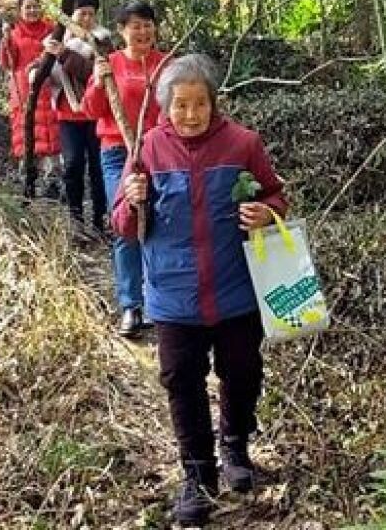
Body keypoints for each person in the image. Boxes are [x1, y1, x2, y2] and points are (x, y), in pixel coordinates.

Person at [111, 53, 288, 527]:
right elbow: (122, 226)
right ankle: (198, 476)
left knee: (243, 371)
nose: (190, 115)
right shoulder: (147, 148)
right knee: (181, 383)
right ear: (165, 107)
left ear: (214, 103)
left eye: (199, 105)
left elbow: (275, 194)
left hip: (236, 291)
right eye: (180, 105)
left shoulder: (242, 144)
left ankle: (235, 446)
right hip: (173, 295)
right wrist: (132, 201)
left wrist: (267, 213)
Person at [80, 0, 168, 337]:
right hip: (118, 152)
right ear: (121, 31)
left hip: (159, 153)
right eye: (135, 25)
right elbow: (91, 110)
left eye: (147, 24)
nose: (142, 31)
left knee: (161, 221)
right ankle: (131, 305)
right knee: (126, 222)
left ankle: (159, 300)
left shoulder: (167, 64)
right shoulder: (109, 63)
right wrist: (99, 82)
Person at [40, 0, 107, 235]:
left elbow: (90, 73)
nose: (87, 20)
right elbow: (42, 67)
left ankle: (101, 220)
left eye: (92, 14)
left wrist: (64, 54)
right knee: (72, 166)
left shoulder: (101, 40)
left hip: (95, 115)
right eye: (82, 14)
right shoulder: (58, 40)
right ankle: (75, 220)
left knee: (99, 169)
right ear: (70, 16)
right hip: (68, 115)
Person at [0, 0, 62, 193]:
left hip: (50, 88)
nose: (32, 10)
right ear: (20, 11)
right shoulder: (15, 34)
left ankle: (53, 180)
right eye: (28, 7)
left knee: (53, 135)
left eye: (35, 6)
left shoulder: (52, 30)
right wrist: (6, 40)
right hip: (25, 91)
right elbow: (8, 63)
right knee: (28, 134)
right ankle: (29, 180)